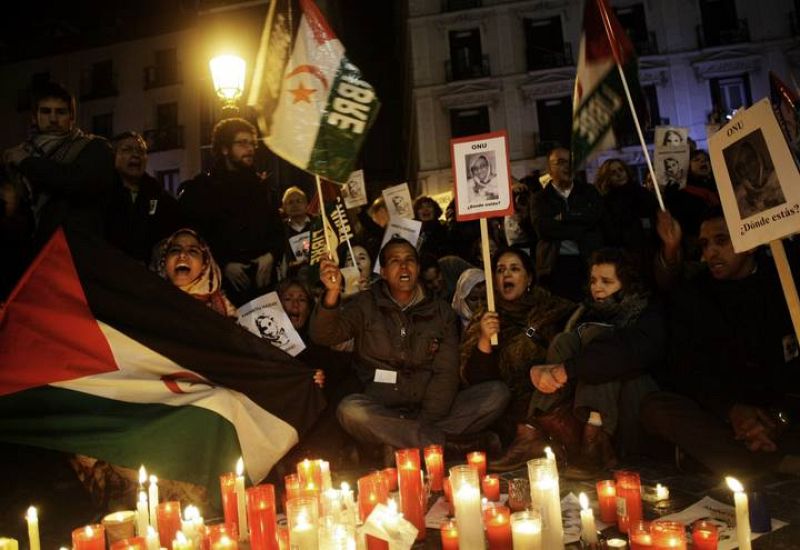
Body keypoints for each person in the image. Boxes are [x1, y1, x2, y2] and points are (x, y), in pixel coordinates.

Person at [310, 237, 510, 460]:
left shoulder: (441, 312)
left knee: (496, 394)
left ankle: (401, 443)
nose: (404, 267)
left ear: (418, 268)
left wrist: (424, 423)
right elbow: (324, 335)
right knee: (350, 410)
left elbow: (446, 372)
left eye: (409, 260)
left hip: (432, 410)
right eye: (395, 261)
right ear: (383, 272)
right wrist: (332, 293)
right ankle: (449, 445)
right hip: (383, 407)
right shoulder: (365, 304)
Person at [640, 209, 800, 477]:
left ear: (750, 246)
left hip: (778, 412)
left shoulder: (782, 285)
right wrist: (731, 411)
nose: (710, 253)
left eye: (721, 241)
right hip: (724, 413)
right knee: (656, 409)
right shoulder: (697, 293)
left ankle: (748, 460)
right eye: (704, 245)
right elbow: (688, 369)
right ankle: (769, 463)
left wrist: (778, 418)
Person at [530, 248, 664, 474]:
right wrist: (544, 372)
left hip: (633, 398)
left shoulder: (643, 312)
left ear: (626, 284)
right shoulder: (585, 312)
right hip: (586, 398)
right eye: (593, 280)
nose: (597, 287)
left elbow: (620, 356)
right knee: (565, 340)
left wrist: (566, 370)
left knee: (601, 343)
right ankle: (541, 423)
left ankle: (595, 435)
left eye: (606, 281)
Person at [460, 248, 577, 471]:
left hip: (547, 396)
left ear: (529, 277)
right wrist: (485, 339)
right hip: (507, 404)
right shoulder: (485, 316)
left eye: (514, 269)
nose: (506, 275)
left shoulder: (553, 310)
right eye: (500, 270)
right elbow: (477, 382)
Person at [179, 118, 283, 305]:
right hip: (222, 289)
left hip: (262, 286)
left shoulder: (261, 188)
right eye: (242, 143)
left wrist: (271, 256)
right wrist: (224, 263)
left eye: (252, 143)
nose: (250, 148)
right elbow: (196, 236)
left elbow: (277, 230)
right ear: (225, 149)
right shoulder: (203, 189)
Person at [2, 82, 115, 248]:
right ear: (35, 117)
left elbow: (74, 180)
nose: (53, 119)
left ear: (72, 117)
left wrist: (26, 162)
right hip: (31, 252)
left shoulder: (94, 147)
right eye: (46, 111)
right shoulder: (18, 154)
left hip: (76, 249)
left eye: (61, 112)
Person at [530, 147, 603, 301]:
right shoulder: (540, 198)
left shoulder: (589, 192)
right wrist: (579, 226)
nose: (568, 167)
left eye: (570, 162)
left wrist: (563, 218)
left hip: (588, 262)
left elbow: (595, 219)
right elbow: (543, 229)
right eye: (561, 162)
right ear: (549, 169)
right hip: (554, 266)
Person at [105, 131, 182, 263]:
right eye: (127, 150)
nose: (135, 155)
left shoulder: (161, 197)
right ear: (114, 156)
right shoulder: (101, 194)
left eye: (141, 151)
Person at [595, 158, 659, 279]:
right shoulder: (606, 202)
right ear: (607, 178)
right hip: (625, 255)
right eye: (613, 173)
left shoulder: (643, 193)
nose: (619, 174)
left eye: (621, 170)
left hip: (650, 250)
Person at [155, 228, 237, 318]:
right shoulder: (150, 297)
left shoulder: (223, 306)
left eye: (192, 251)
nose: (182, 255)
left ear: (204, 264)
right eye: (175, 250)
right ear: (164, 260)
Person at [729, 139, 785, 218]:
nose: (747, 168)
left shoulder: (779, 178)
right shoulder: (738, 197)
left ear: (758, 157)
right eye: (741, 166)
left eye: (750, 160)